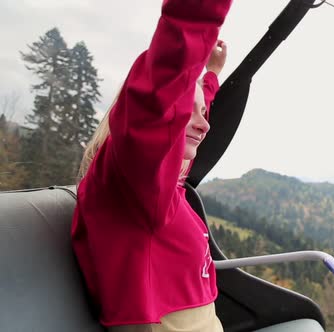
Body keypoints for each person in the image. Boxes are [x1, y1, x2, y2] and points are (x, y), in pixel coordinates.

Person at [71, 0, 233, 331]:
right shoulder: (140, 181)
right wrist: (199, 17)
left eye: (203, 113)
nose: (205, 125)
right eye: (190, 110)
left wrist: (211, 77)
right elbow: (162, 91)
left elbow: (184, 112)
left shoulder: (158, 182)